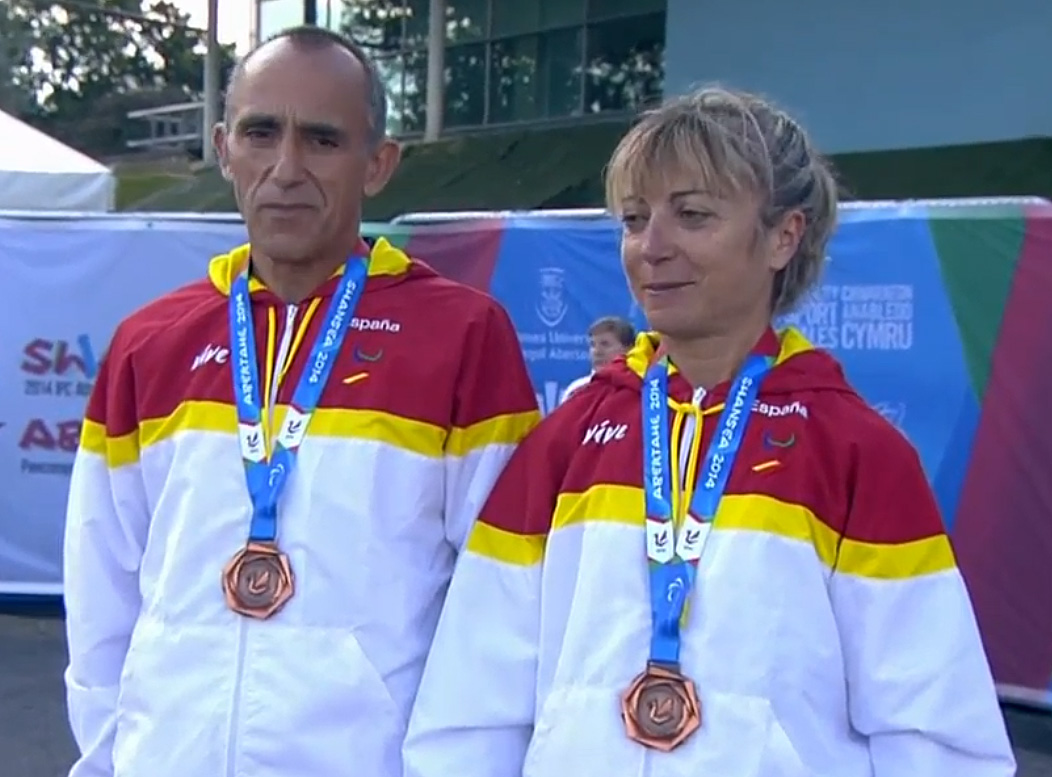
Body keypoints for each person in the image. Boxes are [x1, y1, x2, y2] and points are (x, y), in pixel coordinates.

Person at [402, 87, 1016, 776]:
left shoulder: (856, 452)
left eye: (692, 215)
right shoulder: (567, 441)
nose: (651, 247)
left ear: (785, 234)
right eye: (635, 219)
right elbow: (471, 704)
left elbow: (934, 736)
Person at [62, 26, 539, 777]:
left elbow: (502, 606)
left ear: (377, 164)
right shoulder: (148, 342)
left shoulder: (463, 336)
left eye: (322, 140)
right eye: (261, 133)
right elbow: (101, 598)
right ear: (223, 148)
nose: (285, 168)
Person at [559, 316, 635, 405]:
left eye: (605, 344)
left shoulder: (640, 389)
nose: (597, 352)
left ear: (628, 349)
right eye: (592, 345)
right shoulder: (576, 390)